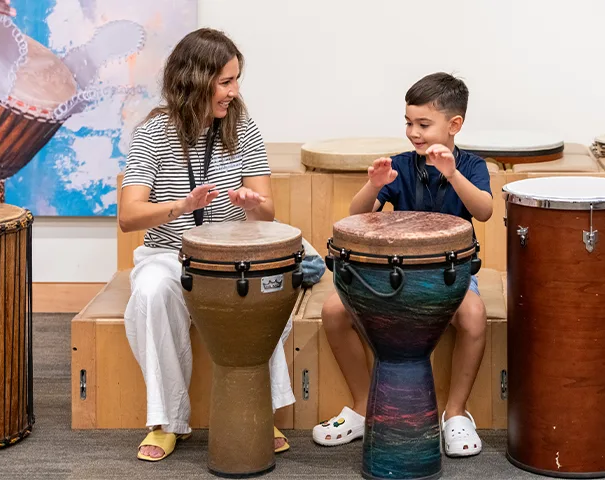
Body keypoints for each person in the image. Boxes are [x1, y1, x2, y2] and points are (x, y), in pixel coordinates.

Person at [119, 28, 323, 462]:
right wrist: (181, 205)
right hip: (169, 255)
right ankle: (166, 421)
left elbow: (266, 212)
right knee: (152, 292)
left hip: (236, 255)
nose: (234, 91)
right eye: (226, 82)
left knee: (262, 296)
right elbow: (129, 216)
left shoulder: (242, 128)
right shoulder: (153, 133)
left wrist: (253, 206)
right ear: (195, 80)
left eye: (236, 80)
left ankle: (254, 411)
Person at [312, 72, 493, 457]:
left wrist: (452, 174)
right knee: (332, 311)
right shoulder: (400, 164)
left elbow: (485, 210)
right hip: (394, 275)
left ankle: (456, 413)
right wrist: (374, 185)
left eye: (423, 124)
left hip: (449, 277)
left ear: (454, 124)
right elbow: (356, 216)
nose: (413, 131)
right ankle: (364, 406)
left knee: (475, 316)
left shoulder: (472, 166)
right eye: (409, 122)